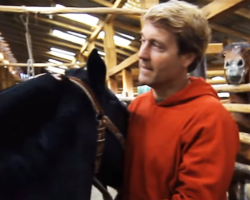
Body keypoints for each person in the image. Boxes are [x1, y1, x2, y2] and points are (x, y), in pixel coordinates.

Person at [120, 1, 239, 200]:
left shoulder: (210, 119)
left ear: (187, 58)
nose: (141, 54)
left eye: (156, 45)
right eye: (143, 41)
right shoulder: (138, 106)